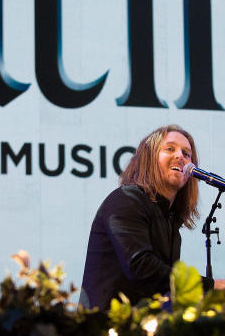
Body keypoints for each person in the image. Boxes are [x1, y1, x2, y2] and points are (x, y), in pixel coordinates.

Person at [79, 124, 203, 309]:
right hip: (106, 327)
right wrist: (206, 286)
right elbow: (141, 267)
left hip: (144, 327)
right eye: (170, 149)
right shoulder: (126, 199)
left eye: (186, 154)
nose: (180, 157)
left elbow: (164, 288)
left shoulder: (170, 218)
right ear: (149, 159)